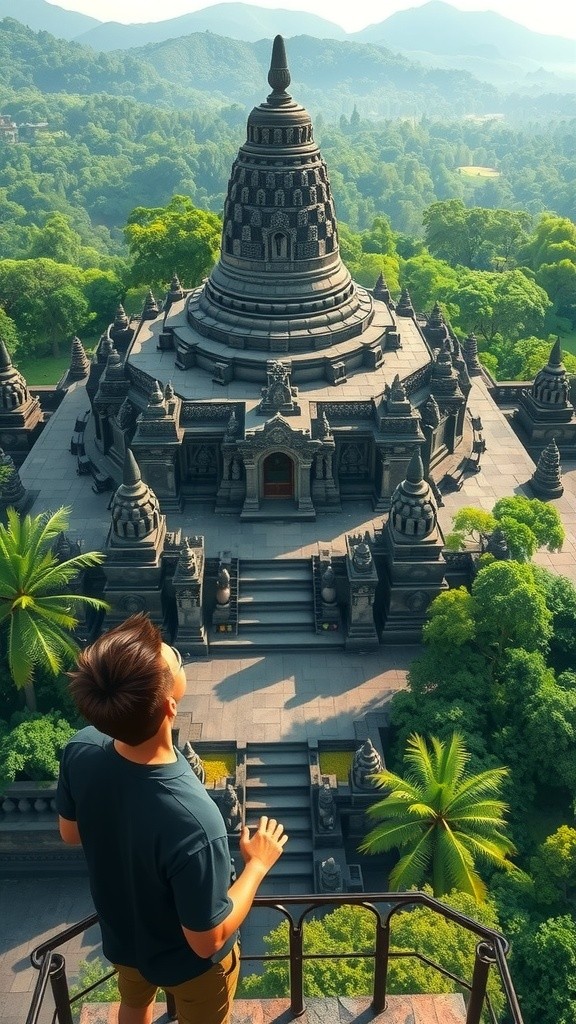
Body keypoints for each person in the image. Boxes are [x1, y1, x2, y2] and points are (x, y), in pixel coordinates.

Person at [57, 614, 287, 1024]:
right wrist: (257, 864)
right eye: (175, 660)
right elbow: (206, 939)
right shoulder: (195, 822)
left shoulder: (81, 749)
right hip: (189, 966)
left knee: (134, 1003)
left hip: (124, 936)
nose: (179, 658)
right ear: (170, 706)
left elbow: (70, 832)